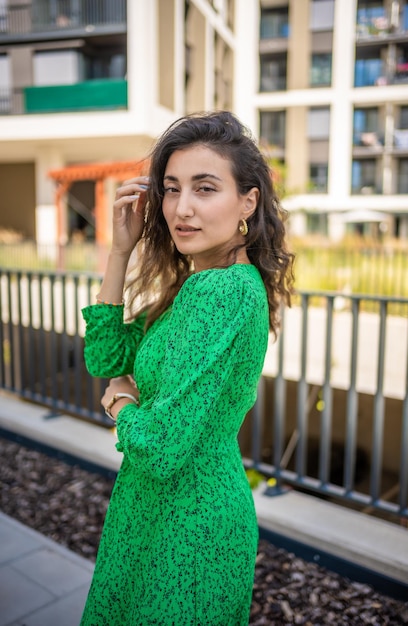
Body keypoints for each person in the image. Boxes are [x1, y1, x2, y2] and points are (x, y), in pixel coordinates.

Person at [80, 110, 294, 626]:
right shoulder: (197, 284)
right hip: (159, 511)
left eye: (204, 188)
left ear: (248, 201)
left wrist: (123, 400)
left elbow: (160, 445)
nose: (182, 208)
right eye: (172, 189)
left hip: (189, 524)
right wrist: (120, 250)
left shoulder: (222, 292)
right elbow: (106, 358)